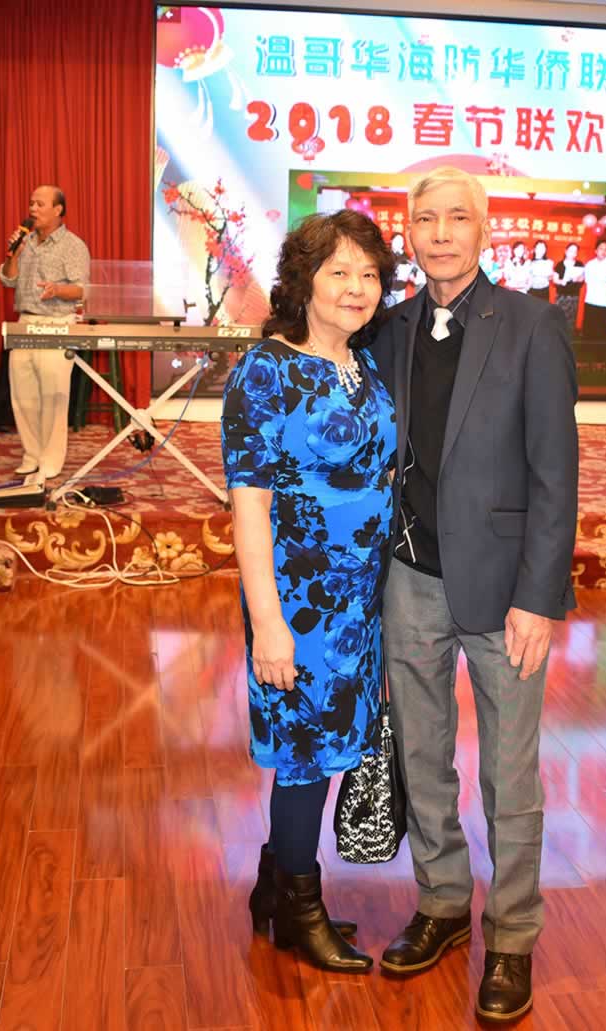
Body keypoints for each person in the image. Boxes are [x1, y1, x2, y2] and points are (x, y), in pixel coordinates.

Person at [369, 167, 578, 1023]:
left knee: (507, 771)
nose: (441, 233)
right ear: (409, 232)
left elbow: (555, 472)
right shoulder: (390, 328)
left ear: (484, 230)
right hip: (410, 577)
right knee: (421, 755)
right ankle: (443, 901)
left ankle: (514, 934)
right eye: (426, 219)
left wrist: (539, 595)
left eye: (458, 218)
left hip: (504, 590)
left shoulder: (530, 325)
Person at [221, 210, 396, 972]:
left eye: (369, 274)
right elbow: (248, 505)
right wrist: (268, 623)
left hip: (357, 602)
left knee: (326, 748)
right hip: (297, 602)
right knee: (303, 754)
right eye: (339, 272)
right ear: (304, 281)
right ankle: (299, 909)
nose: (357, 288)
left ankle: (271, 886)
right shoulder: (266, 370)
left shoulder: (363, 363)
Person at [0, 185, 89, 479]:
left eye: (40, 204)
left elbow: (82, 289)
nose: (33, 209)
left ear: (58, 209)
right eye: (31, 203)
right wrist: (13, 255)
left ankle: (51, 458)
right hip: (25, 321)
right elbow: (8, 280)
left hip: (58, 323)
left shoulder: (72, 245)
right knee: (23, 396)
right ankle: (32, 454)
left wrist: (57, 290)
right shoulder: (25, 241)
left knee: (53, 395)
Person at [581, 239, 606, 348]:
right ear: (596, 251)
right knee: (589, 329)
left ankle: (599, 352)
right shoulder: (589, 264)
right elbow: (587, 280)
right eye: (601, 249)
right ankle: (587, 350)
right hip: (591, 299)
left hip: (604, 301)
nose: (604, 251)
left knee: (601, 330)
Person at [552, 242, 584, 333]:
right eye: (570, 250)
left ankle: (568, 337)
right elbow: (554, 280)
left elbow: (582, 278)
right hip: (561, 296)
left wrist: (577, 279)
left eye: (575, 251)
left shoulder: (579, 264)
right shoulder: (559, 264)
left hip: (574, 296)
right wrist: (562, 281)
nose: (572, 253)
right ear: (566, 251)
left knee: (571, 320)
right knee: (559, 318)